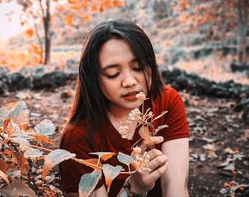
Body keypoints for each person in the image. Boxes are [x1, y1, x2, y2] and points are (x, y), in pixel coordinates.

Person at [59, 19, 189, 197]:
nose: (129, 81)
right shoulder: (77, 139)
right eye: (113, 73)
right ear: (93, 79)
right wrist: (135, 187)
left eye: (138, 67)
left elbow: (176, 188)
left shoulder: (167, 101)